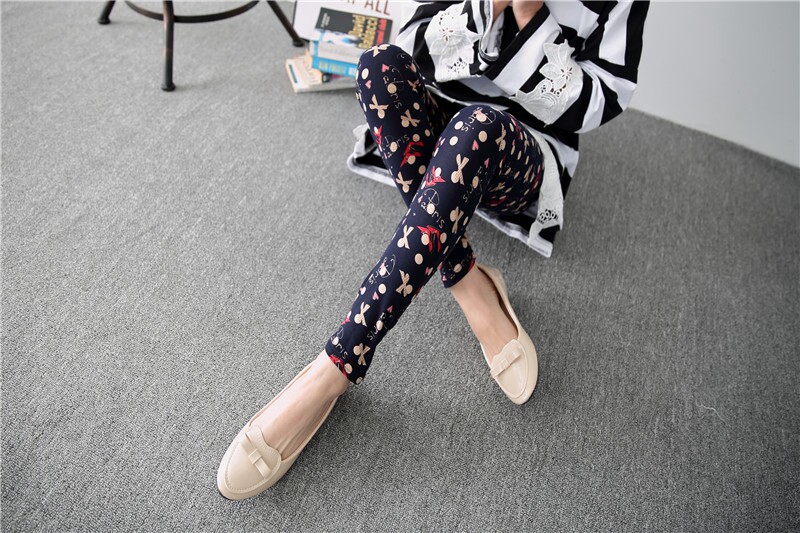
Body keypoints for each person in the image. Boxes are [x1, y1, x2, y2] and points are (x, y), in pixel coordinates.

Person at [217, 0, 650, 500]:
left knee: (479, 126)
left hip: (523, 149)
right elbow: (412, 43)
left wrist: (528, 16)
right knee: (377, 64)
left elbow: (601, 102)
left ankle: (337, 363)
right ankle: (466, 278)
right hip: (442, 116)